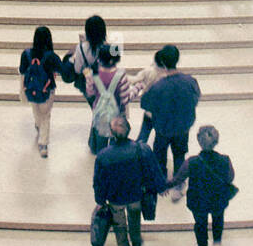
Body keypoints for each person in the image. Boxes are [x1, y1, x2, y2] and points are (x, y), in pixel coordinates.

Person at [92, 115, 167, 246]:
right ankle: (136, 239)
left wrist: (100, 201)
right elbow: (153, 170)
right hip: (136, 195)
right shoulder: (141, 149)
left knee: (119, 226)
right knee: (134, 217)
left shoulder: (103, 156)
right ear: (129, 130)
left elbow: (99, 182)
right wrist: (160, 187)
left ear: (112, 134)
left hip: (115, 199)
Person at [139, 46, 201, 195]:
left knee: (160, 154)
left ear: (163, 63)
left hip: (163, 128)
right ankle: (179, 183)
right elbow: (196, 98)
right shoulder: (190, 81)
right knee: (180, 153)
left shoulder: (159, 87)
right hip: (183, 126)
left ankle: (161, 184)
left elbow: (145, 104)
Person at [169, 125, 236, 246]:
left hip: (198, 200)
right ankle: (217, 244)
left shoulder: (191, 162)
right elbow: (230, 177)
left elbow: (178, 179)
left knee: (200, 224)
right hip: (218, 199)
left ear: (199, 141)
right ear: (216, 141)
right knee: (218, 220)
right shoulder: (225, 160)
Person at [19, 25, 60, 158]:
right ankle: (43, 144)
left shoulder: (26, 54)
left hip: (31, 89)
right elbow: (61, 70)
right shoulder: (51, 56)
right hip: (47, 89)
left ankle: (38, 125)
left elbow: (22, 71)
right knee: (46, 115)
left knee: (36, 109)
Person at [84, 41, 130, 154]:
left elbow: (90, 93)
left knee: (101, 144)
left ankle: (102, 162)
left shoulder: (92, 75)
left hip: (100, 113)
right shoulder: (121, 75)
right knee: (116, 145)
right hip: (117, 115)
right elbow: (125, 99)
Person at [129, 45, 174, 144]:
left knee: (144, 134)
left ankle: (139, 152)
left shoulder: (149, 71)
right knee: (160, 138)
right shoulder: (169, 75)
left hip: (150, 108)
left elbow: (134, 79)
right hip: (163, 111)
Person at [72, 15, 108, 99]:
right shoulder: (107, 48)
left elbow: (77, 69)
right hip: (104, 84)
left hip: (88, 85)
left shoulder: (80, 47)